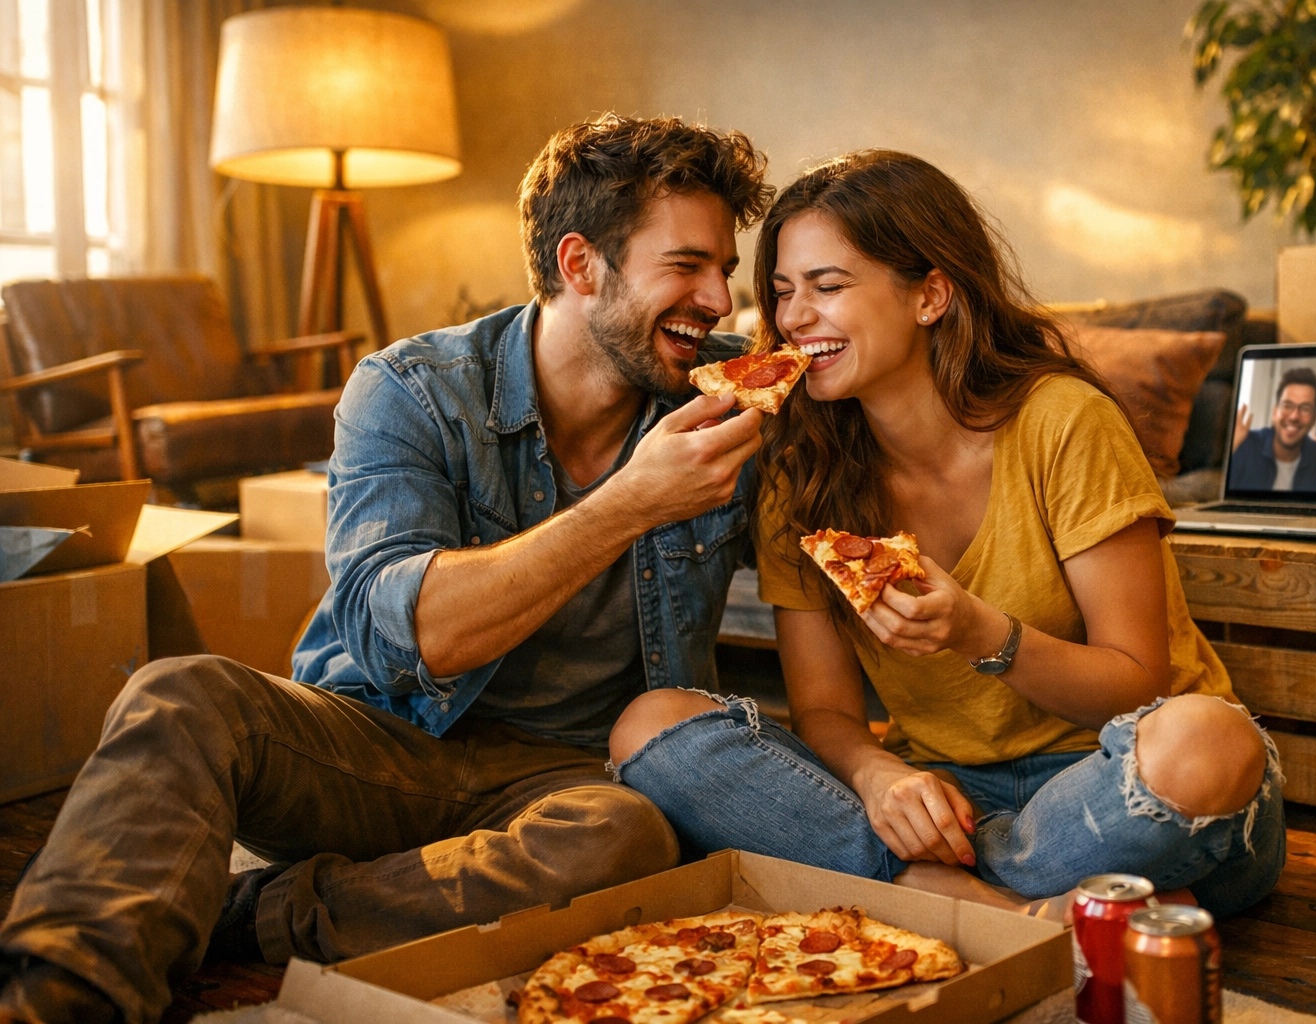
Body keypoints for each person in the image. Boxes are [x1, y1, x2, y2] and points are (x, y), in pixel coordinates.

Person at [0, 114, 772, 1024]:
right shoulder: (411, 389)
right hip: (378, 743)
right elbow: (408, 637)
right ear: (580, 264)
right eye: (686, 265)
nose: (718, 298)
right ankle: (64, 997)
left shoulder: (740, 398)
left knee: (629, 836)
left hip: (567, 779)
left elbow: (859, 501)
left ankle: (262, 913)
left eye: (725, 268)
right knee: (180, 696)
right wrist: (630, 502)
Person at [606, 151, 1285, 919]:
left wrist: (979, 633)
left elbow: (1138, 686)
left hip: (1114, 785)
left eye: (828, 286)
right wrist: (878, 778)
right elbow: (826, 711)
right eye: (783, 292)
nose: (792, 318)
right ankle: (1037, 907)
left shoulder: (1063, 422)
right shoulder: (800, 469)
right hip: (945, 801)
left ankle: (937, 893)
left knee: (1210, 742)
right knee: (651, 726)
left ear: (930, 294)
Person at [1227, 367, 1316, 491]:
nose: (1294, 416)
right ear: (1274, 412)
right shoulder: (1243, 445)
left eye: (1305, 408)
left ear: (1315, 417)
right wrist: (1232, 446)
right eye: (1287, 406)